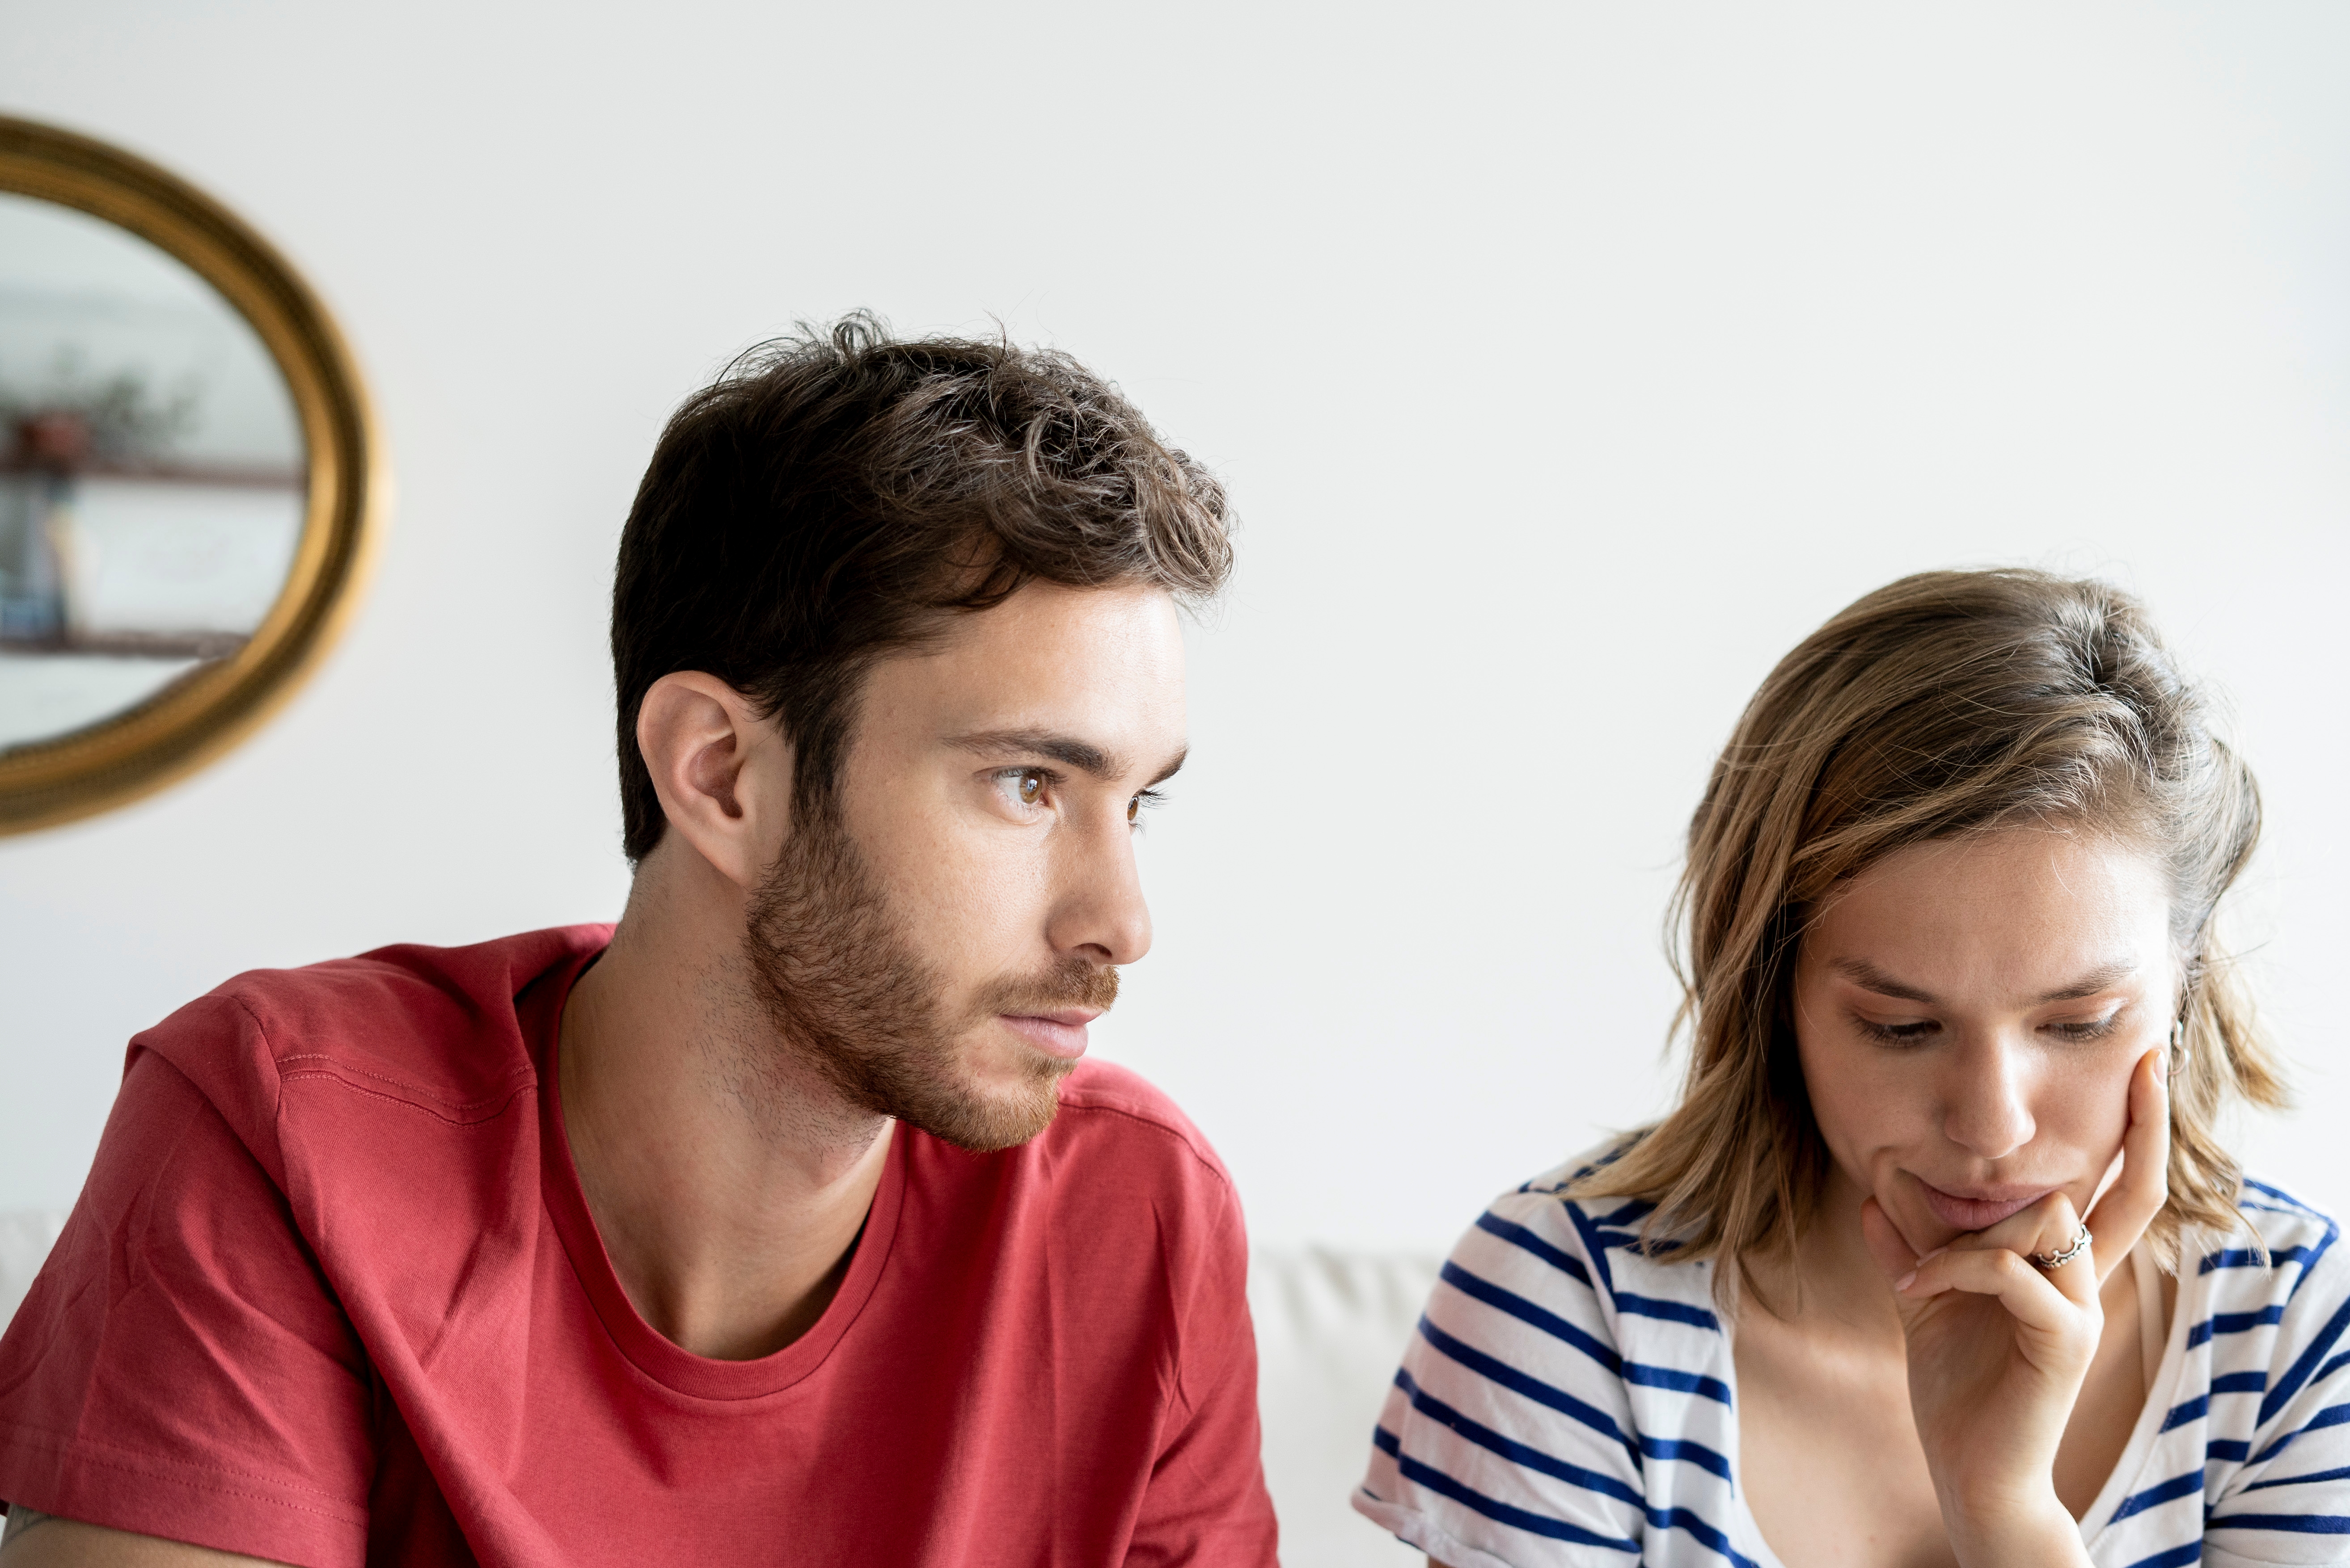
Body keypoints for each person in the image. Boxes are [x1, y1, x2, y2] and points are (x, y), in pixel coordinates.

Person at [0, 316, 1279, 1567]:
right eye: (1028, 785)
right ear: (721, 774)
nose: (1123, 922)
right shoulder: (288, 1126)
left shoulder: (1138, 1214)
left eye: (1138, 801)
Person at [1358, 569, 2350, 1567]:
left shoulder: (2291, 1329)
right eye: (1900, 1025)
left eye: (2078, 1023)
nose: (1992, 1126)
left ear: (2185, 991)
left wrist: (2003, 1509)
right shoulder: (1569, 1304)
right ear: (1772, 997)